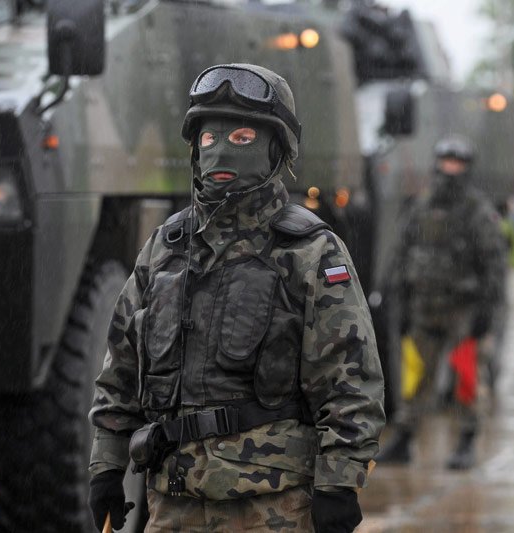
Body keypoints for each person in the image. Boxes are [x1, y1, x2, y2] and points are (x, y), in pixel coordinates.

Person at [87, 64, 385, 532]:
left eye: (243, 137)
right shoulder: (167, 247)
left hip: (272, 506)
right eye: (209, 139)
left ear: (275, 148)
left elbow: (351, 380)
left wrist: (338, 484)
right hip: (174, 502)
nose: (221, 149)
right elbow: (121, 366)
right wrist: (106, 465)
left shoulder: (308, 250)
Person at [378, 134, 507, 470]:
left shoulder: (477, 212)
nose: (450, 170)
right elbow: (401, 256)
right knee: (415, 377)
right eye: (446, 162)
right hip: (424, 309)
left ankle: (466, 440)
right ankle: (404, 439)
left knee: (465, 378)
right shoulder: (421, 207)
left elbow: (494, 265)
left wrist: (486, 314)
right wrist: (400, 303)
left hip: (463, 311)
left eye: (457, 164)